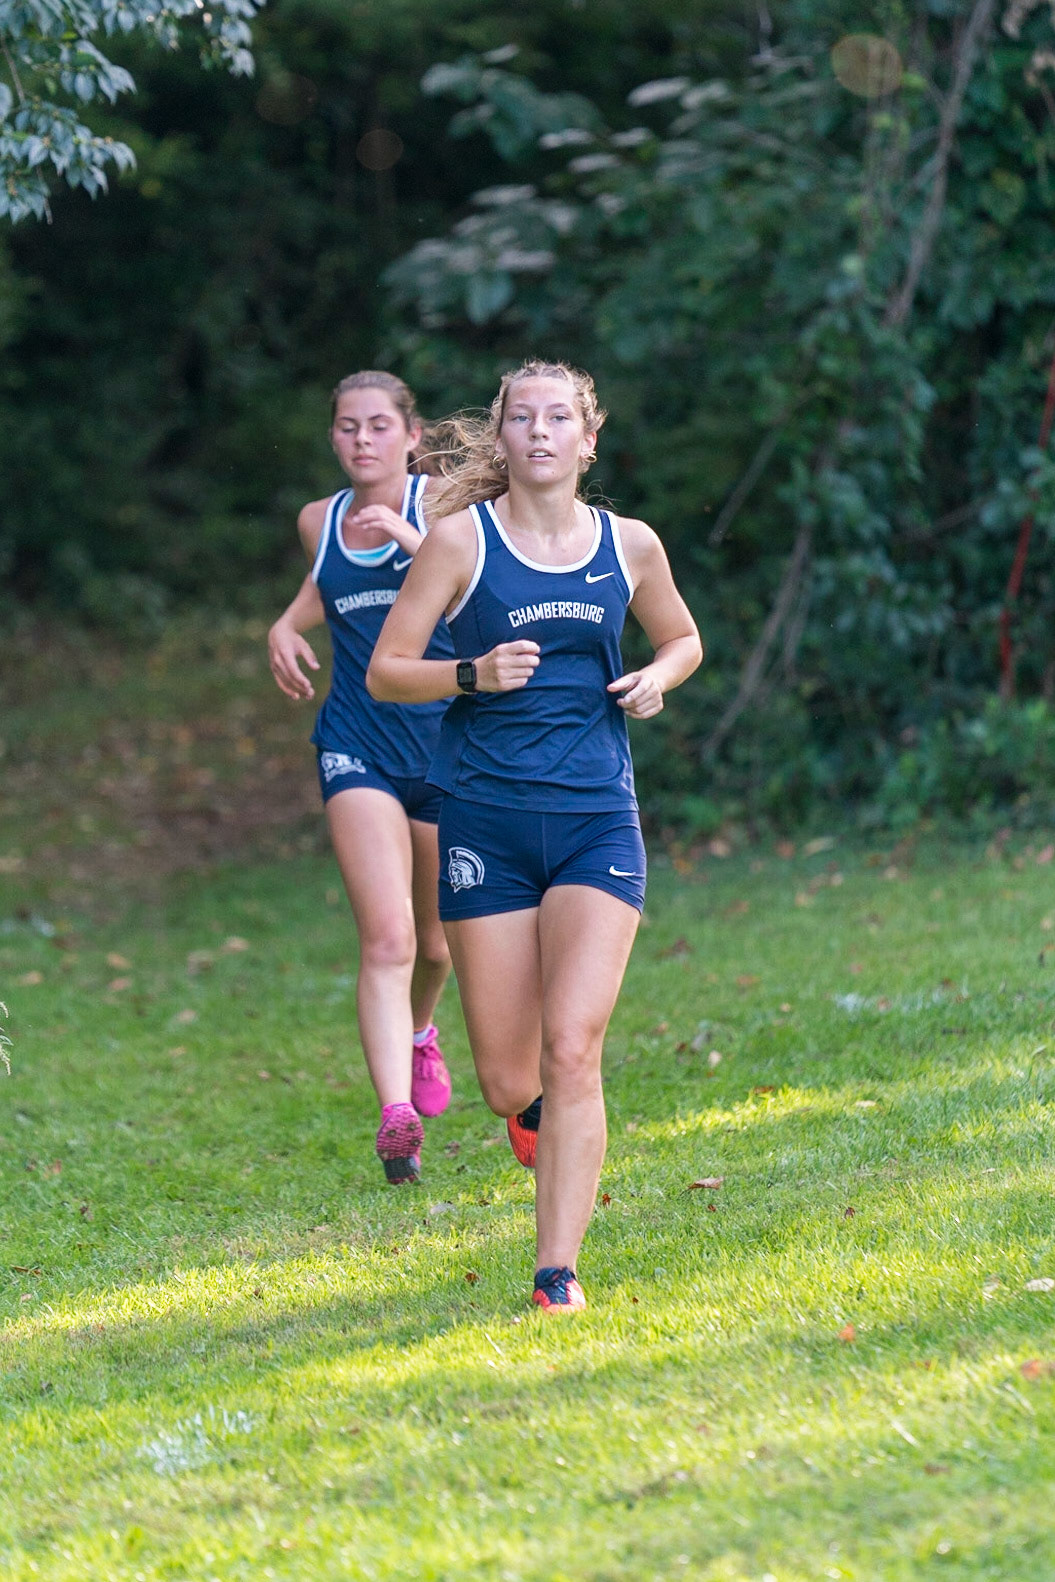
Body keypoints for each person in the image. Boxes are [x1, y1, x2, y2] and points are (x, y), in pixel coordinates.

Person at [367, 359, 702, 1310]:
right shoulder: (459, 542)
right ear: (503, 435)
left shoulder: (629, 545)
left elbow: (682, 639)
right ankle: (533, 1117)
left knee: (572, 1048)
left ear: (587, 440)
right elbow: (388, 671)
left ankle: (557, 1271)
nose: (541, 432)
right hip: (487, 827)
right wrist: (469, 674)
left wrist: (657, 678)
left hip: (597, 822)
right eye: (524, 417)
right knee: (509, 1078)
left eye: (560, 419)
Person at [268, 370, 455, 1186]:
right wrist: (284, 624)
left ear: (411, 436)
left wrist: (412, 542)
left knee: (439, 946)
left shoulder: (444, 506)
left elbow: (478, 597)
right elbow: (327, 589)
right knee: (388, 938)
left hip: (445, 747)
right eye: (347, 427)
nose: (362, 440)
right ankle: (395, 1117)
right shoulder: (319, 520)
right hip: (356, 745)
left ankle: (419, 1035)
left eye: (378, 425)